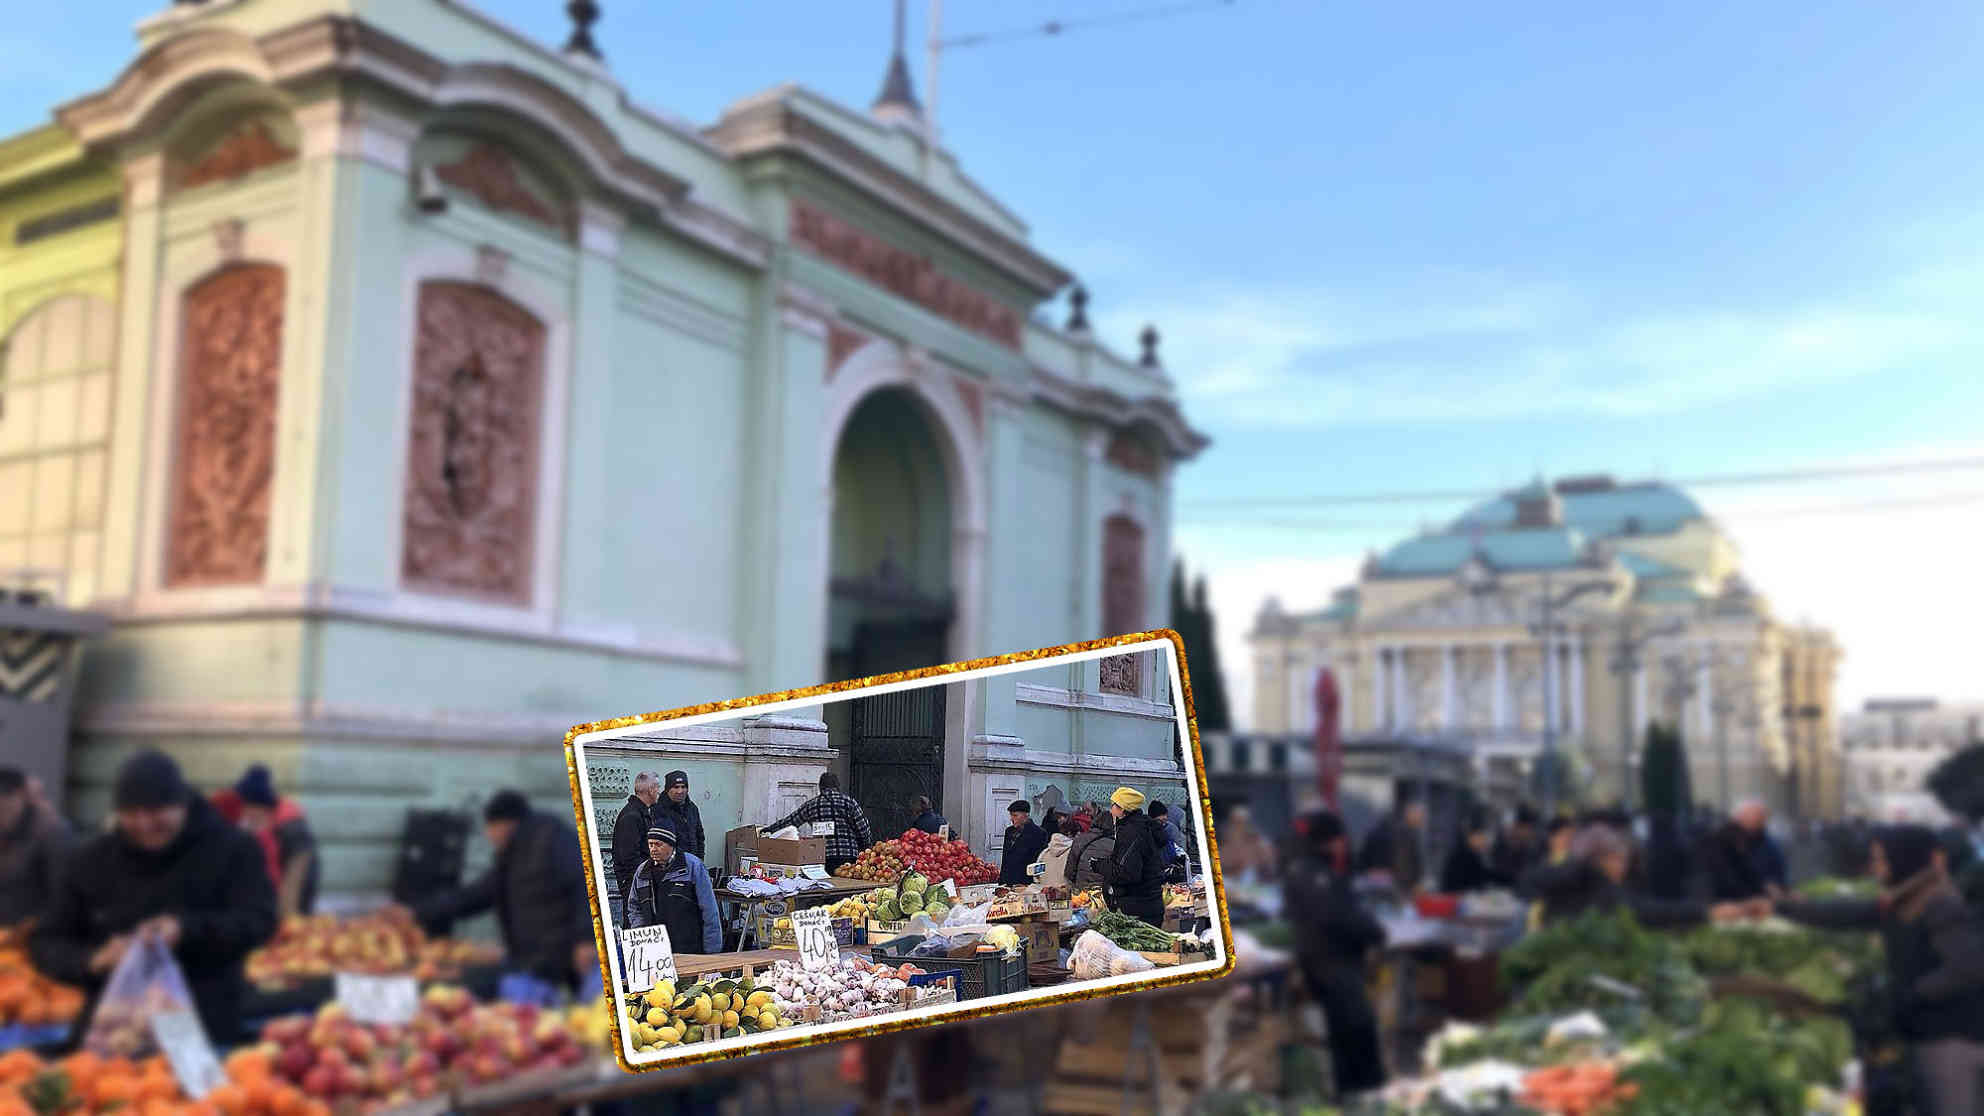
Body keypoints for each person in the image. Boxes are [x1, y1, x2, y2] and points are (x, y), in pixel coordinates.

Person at [30, 750, 276, 1048]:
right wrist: (93, 960)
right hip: (110, 1030)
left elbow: (259, 920)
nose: (144, 824)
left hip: (204, 1026)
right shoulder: (90, 860)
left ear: (182, 805)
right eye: (131, 814)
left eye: (157, 812)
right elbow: (46, 940)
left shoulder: (233, 850)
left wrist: (186, 929)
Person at [1774, 825, 1984, 1116]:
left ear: (1904, 859)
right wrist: (1785, 909)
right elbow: (1850, 914)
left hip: (1951, 1038)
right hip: (1929, 1032)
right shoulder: (1904, 898)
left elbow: (1969, 968)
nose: (1875, 868)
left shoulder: (1938, 902)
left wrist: (1912, 993)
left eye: (1881, 859)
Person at [411, 790, 596, 993]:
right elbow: (476, 896)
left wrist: (586, 938)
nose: (489, 836)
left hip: (560, 957)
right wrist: (417, 913)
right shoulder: (514, 853)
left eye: (489, 828)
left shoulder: (552, 838)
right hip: (534, 959)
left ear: (502, 824)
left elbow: (583, 881)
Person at [1282, 808, 1387, 1099]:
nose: (1344, 845)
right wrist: (1375, 933)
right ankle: (1361, 1100)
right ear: (1331, 841)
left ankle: (1352, 1097)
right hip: (1334, 967)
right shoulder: (1318, 877)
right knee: (1356, 1038)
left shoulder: (1302, 871)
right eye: (1340, 839)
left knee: (1343, 1038)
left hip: (1320, 966)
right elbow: (1342, 918)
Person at [1529, 824, 1762, 930]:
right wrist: (1707, 912)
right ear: (1599, 858)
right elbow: (1642, 910)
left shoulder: (1571, 878)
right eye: (1618, 859)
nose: (1624, 866)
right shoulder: (1592, 884)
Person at [233, 766, 320, 919]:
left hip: (293, 903)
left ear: (259, 805)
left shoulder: (292, 830)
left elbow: (294, 881)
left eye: (245, 804)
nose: (243, 811)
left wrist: (286, 919)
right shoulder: (260, 823)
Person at [622, 827, 722, 954]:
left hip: (689, 949)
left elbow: (709, 911)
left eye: (658, 844)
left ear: (671, 845)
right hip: (656, 952)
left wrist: (712, 953)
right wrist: (641, 933)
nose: (653, 849)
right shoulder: (642, 871)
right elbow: (634, 907)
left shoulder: (692, 866)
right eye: (650, 844)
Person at [0, 766, 74, 928]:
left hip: (28, 936)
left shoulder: (52, 833)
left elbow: (63, 898)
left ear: (18, 796)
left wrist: (31, 927)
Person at [765, 773, 873, 876]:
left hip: (822, 857)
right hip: (849, 856)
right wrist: (867, 846)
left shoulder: (812, 805)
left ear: (820, 787)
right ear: (838, 786)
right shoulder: (849, 803)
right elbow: (864, 828)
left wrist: (768, 830)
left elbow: (790, 822)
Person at [1096, 788, 1167, 925]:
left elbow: (1126, 872)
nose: (1111, 810)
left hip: (1137, 908)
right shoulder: (1142, 826)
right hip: (1149, 903)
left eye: (1114, 806)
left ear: (1122, 810)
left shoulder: (1132, 832)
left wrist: (1099, 865)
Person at [1700, 799, 1779, 902]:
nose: (1763, 824)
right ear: (1740, 818)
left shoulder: (1762, 842)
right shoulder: (1720, 843)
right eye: (1758, 819)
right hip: (1724, 904)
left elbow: (1749, 875)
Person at [1356, 788, 1427, 893]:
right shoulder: (1403, 835)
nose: (1422, 819)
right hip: (1392, 889)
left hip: (1388, 887)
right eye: (1418, 814)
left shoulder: (1405, 834)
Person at [611, 772, 660, 908]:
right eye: (657, 787)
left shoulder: (642, 813)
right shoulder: (632, 816)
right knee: (636, 924)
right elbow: (629, 857)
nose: (658, 791)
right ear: (650, 790)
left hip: (640, 882)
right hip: (635, 884)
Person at [1439, 808, 1513, 894]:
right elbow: (1483, 875)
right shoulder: (1462, 856)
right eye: (1481, 836)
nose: (1484, 840)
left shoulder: (1471, 854)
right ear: (1471, 836)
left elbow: (1486, 874)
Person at [652, 771, 707, 863]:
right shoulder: (658, 809)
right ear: (668, 789)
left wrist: (699, 859)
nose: (680, 791)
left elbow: (699, 836)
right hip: (670, 866)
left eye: (683, 787)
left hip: (692, 863)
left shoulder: (692, 808)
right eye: (676, 787)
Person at [1216, 805, 1277, 880]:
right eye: (1237, 823)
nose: (1241, 827)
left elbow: (1270, 865)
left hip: (1257, 885)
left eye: (1244, 823)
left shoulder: (1259, 842)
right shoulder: (1224, 846)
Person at [998, 800, 1049, 885]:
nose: (1011, 819)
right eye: (1011, 815)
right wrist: (1001, 881)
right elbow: (1005, 857)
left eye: (1015, 815)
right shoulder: (1009, 831)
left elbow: (1040, 861)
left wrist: (1036, 883)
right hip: (1007, 881)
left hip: (1026, 882)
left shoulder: (1039, 833)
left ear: (1026, 815)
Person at [1490, 804, 1542, 883]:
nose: (1530, 832)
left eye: (1531, 829)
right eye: (1526, 828)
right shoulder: (1501, 847)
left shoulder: (1533, 849)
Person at [1069, 812, 1117, 890]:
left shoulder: (1079, 840)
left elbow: (1069, 872)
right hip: (1101, 894)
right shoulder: (1114, 845)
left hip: (1080, 892)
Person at [1038, 817, 1079, 888]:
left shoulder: (1045, 852)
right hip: (1064, 895)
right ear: (1070, 833)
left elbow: (1036, 875)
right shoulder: (1074, 853)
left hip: (1044, 894)